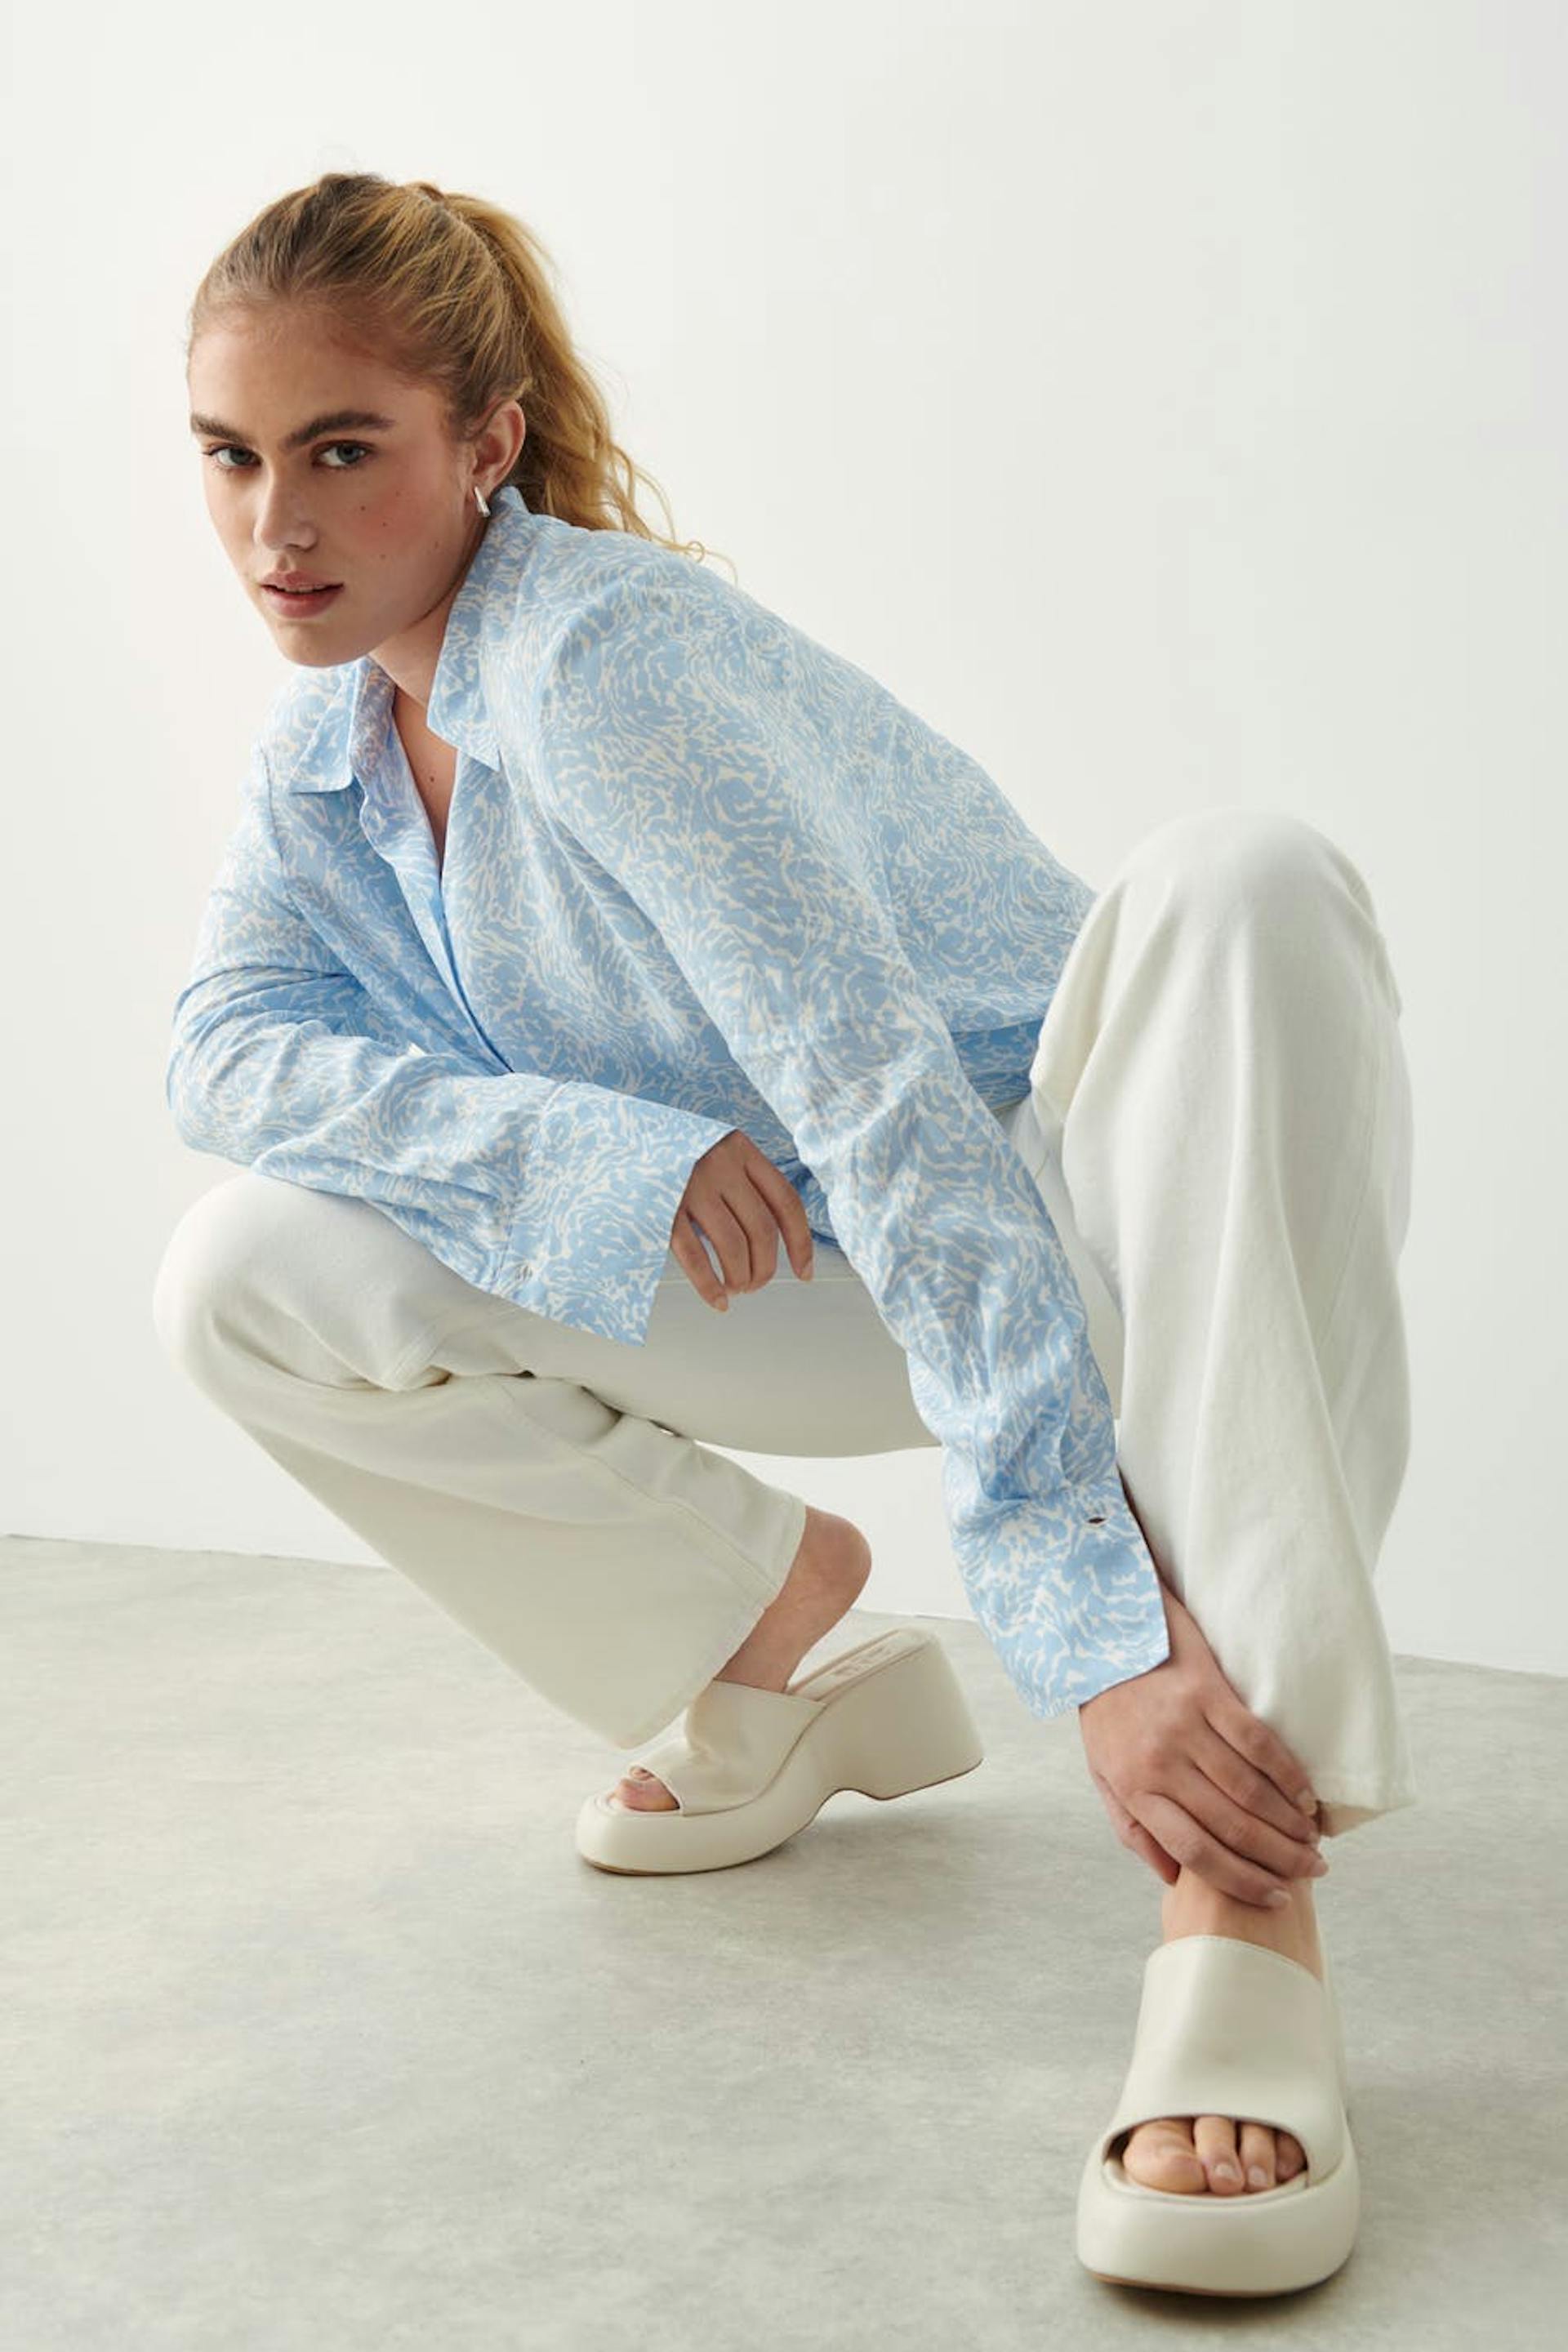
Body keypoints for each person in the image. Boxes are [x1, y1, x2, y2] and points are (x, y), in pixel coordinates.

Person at [153, 171, 1416, 2297]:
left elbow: (888, 1111)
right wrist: (596, 1155)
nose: (277, 522)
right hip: (820, 1272)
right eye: (230, 455)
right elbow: (223, 1051)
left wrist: (1095, 1630)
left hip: (1085, 1216)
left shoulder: (605, 662)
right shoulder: (335, 745)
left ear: (486, 441)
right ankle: (770, 1635)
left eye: (341, 449)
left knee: (1242, 881)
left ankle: (1241, 1900)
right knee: (247, 1279)